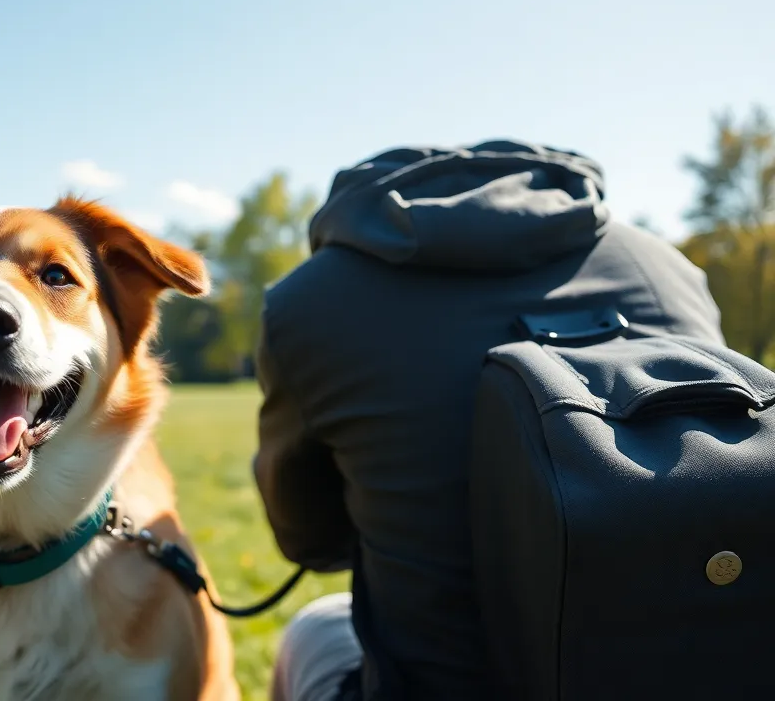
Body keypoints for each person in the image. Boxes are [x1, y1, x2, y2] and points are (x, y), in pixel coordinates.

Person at [253, 140, 726, 700]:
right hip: (691, 673)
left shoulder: (303, 303)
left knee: (313, 628)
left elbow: (308, 540)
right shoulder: (669, 269)